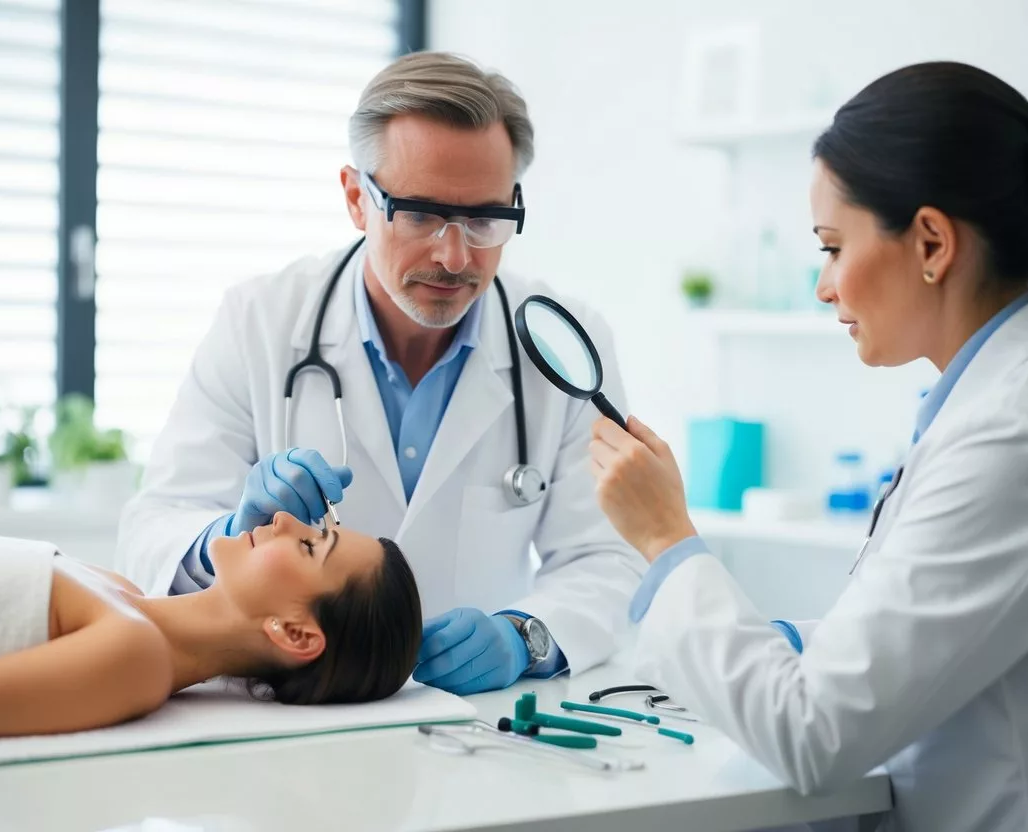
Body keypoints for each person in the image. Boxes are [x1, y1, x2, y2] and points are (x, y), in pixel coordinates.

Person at [590, 62, 1028, 831]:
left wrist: (667, 540)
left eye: (832, 247)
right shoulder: (1011, 401)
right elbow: (937, 634)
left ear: (931, 242)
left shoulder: (1020, 436)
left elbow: (812, 737)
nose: (822, 285)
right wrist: (794, 641)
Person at [116, 51, 644, 696]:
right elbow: (154, 524)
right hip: (278, 720)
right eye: (420, 213)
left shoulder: (563, 349)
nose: (454, 256)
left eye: (484, 219)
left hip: (479, 724)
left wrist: (525, 635)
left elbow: (608, 556)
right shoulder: (260, 320)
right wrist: (221, 536)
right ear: (354, 198)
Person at [0, 513, 422, 743]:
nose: (284, 518)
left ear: (295, 633)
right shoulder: (121, 589)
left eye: (310, 545)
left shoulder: (134, 656)